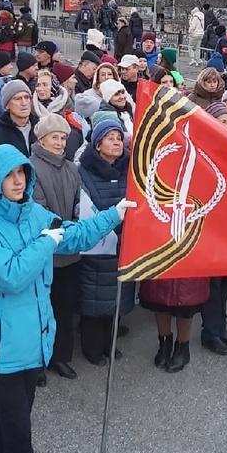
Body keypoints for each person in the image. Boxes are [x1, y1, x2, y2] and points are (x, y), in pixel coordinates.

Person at [0, 143, 130, 453]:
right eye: (8, 175)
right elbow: (11, 275)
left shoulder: (33, 213)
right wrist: (45, 243)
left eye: (21, 172)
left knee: (9, 422)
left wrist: (114, 214)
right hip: (0, 349)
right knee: (19, 435)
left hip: (34, 341)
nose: (17, 180)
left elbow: (71, 235)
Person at [29, 114, 84, 380]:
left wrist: (77, 218)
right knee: (41, 309)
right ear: (41, 139)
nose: (61, 142)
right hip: (43, 251)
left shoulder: (72, 169)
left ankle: (60, 355)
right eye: (55, 137)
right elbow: (37, 210)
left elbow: (78, 201)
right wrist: (66, 230)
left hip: (70, 252)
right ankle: (37, 361)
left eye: (63, 137)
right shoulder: (31, 168)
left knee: (64, 306)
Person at [76, 119, 135, 366]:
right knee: (94, 300)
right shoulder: (82, 171)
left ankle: (109, 342)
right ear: (98, 144)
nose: (116, 142)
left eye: (119, 138)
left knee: (115, 297)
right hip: (96, 245)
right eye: (110, 138)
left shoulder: (129, 169)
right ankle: (92, 348)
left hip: (123, 244)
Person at [0, 80, 40, 156]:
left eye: (27, 97)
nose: (24, 103)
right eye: (17, 99)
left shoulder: (41, 128)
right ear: (7, 105)